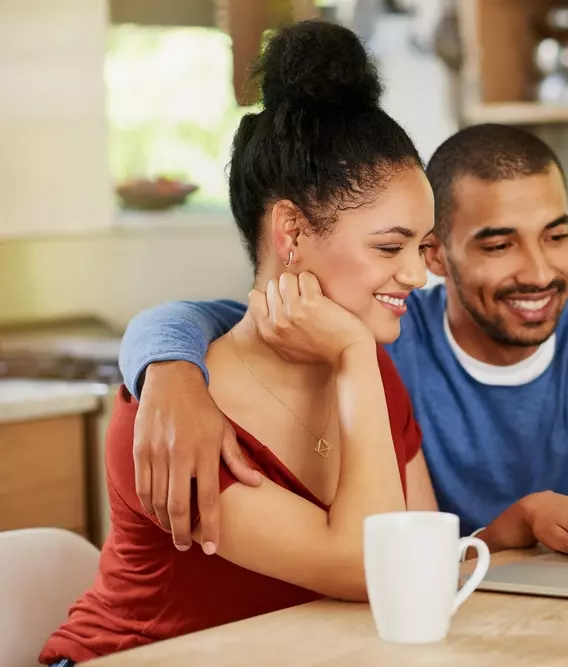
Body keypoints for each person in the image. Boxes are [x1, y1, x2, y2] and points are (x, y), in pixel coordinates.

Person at [118, 124, 568, 566]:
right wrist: (168, 369)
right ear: (439, 254)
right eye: (498, 244)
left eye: (557, 236)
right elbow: (218, 316)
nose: (538, 271)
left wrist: (516, 525)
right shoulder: (377, 336)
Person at [41, 21, 443, 665]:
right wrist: (353, 360)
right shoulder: (174, 422)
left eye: (423, 247)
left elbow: (421, 569)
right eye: (390, 246)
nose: (418, 274)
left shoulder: (369, 374)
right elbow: (370, 572)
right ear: (290, 229)